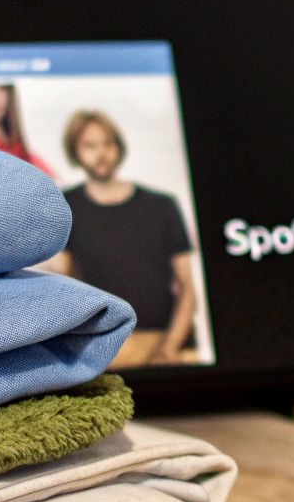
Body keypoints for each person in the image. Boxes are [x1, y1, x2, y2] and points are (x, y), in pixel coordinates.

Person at [56, 109, 200, 369]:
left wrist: (169, 348)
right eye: (90, 145)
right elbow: (65, 283)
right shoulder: (66, 206)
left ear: (118, 146)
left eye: (108, 143)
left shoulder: (162, 205)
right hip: (106, 348)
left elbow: (187, 287)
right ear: (75, 151)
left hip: (169, 343)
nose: (101, 153)